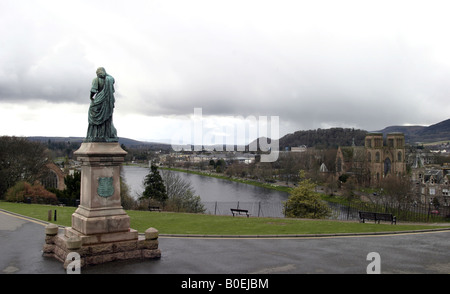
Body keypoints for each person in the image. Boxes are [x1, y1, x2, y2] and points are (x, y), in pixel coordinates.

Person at [85, 67, 118, 142]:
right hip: (107, 101)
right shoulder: (110, 79)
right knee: (106, 118)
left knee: (93, 116)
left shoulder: (96, 80)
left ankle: (95, 134)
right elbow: (112, 78)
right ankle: (106, 134)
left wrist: (91, 97)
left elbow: (93, 90)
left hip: (98, 101)